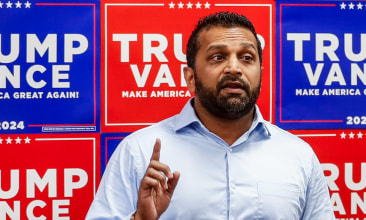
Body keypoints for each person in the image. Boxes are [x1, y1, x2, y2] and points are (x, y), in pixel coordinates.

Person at [86, 12, 335, 220]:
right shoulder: (138, 151)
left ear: (260, 72)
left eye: (247, 58)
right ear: (190, 78)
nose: (234, 68)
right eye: (218, 57)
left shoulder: (298, 155)